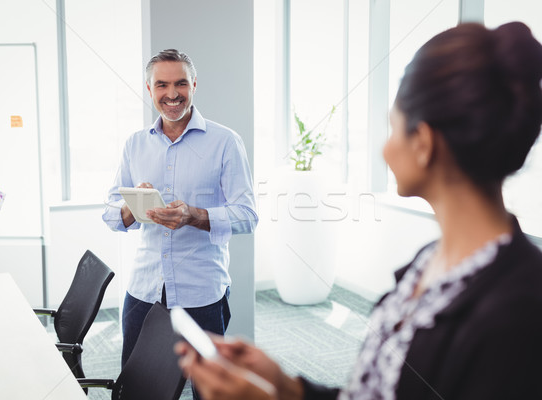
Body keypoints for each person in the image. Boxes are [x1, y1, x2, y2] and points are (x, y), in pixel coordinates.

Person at [176, 21, 542, 399]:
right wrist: (287, 388)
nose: (384, 149)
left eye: (393, 128)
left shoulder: (517, 313)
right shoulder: (430, 261)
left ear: (424, 143)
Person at [102, 49, 258, 376]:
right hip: (145, 287)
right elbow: (111, 214)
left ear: (194, 85)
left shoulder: (226, 142)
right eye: (161, 85)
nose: (172, 94)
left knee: (208, 387)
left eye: (180, 84)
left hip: (201, 290)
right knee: (136, 382)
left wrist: (192, 216)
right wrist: (134, 205)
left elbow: (246, 215)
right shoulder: (135, 144)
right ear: (149, 89)